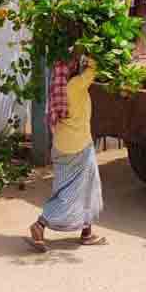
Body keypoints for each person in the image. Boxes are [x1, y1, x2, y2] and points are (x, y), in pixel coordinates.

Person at [27, 47, 106, 252]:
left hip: (61, 146)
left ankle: (86, 232)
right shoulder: (76, 85)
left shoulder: (58, 88)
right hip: (79, 146)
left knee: (64, 189)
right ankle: (40, 224)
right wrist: (91, 47)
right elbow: (94, 67)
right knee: (83, 190)